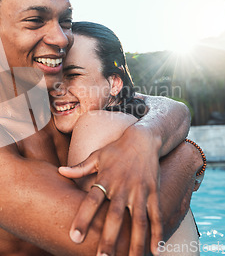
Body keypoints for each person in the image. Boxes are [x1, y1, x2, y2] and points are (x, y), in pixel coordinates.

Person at [0, 0, 203, 256]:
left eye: (65, 21)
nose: (61, 38)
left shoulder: (66, 104)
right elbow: (112, 246)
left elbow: (167, 106)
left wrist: (145, 136)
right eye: (35, 21)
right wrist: (188, 157)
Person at [50, 21, 203, 255]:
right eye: (53, 76)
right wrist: (187, 157)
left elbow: (89, 246)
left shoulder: (95, 124)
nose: (56, 89)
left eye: (73, 74)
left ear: (114, 83)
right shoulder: (133, 126)